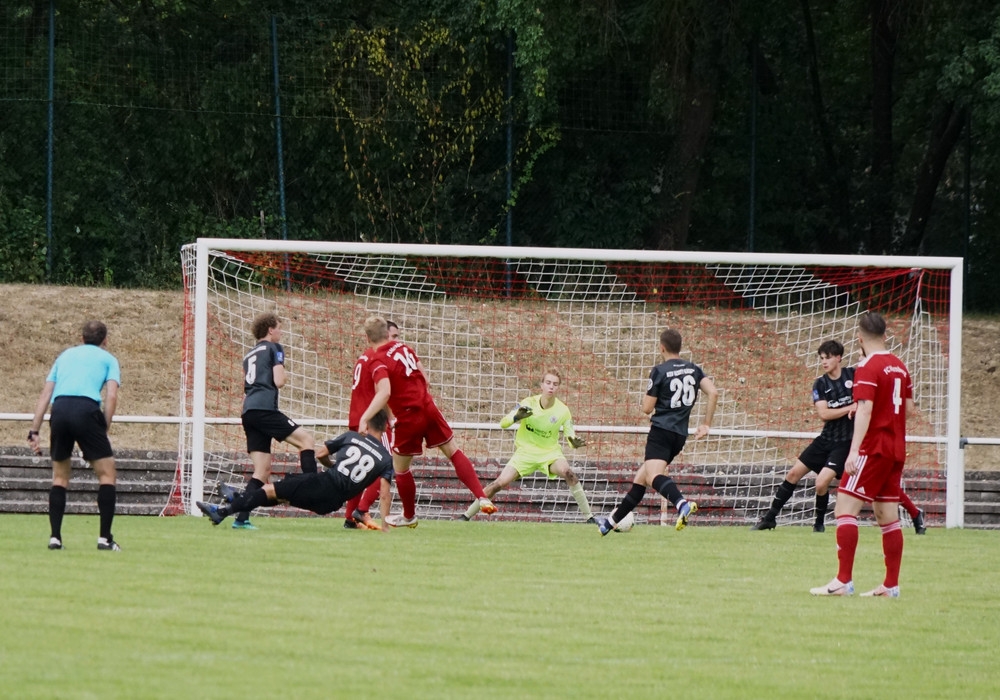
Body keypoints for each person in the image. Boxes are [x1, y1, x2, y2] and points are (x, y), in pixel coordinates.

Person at [357, 316, 496, 528]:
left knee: (401, 468)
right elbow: (425, 378)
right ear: (387, 333)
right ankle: (481, 496)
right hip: (428, 407)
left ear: (368, 338)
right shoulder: (404, 348)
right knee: (453, 451)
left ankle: (409, 516)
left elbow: (384, 392)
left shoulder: (377, 360)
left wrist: (365, 417)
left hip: (408, 415)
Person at [811, 312, 914, 598]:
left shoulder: (867, 367)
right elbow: (908, 408)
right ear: (885, 335)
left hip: (874, 447)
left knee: (844, 508)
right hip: (896, 448)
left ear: (860, 338)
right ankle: (890, 586)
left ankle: (843, 581)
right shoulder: (900, 366)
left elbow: (866, 409)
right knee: (887, 516)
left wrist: (855, 450)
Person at [595, 328, 718, 535]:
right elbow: (713, 392)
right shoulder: (694, 369)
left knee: (653, 476)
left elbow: (647, 408)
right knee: (641, 479)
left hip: (661, 432)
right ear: (680, 347)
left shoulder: (660, 371)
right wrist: (706, 424)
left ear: (662, 348)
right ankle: (608, 524)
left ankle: (682, 504)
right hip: (679, 435)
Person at [197, 410, 393, 524]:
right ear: (385, 427)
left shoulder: (352, 437)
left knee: (269, 490)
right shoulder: (386, 459)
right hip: (332, 503)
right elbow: (384, 494)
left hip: (323, 483)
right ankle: (236, 498)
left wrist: (333, 465)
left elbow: (320, 454)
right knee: (277, 496)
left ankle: (222, 512)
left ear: (367, 423)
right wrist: (385, 525)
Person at [27, 320, 123, 551]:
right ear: (105, 340)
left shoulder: (65, 356)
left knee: (60, 478)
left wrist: (34, 430)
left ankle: (55, 538)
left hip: (59, 410)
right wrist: (104, 428)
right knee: (107, 475)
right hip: (87, 410)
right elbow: (111, 396)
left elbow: (45, 394)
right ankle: (104, 539)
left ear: (81, 338)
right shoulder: (109, 359)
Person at [458, 370, 595, 522]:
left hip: (550, 453)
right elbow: (503, 423)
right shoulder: (528, 403)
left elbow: (570, 436)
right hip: (525, 453)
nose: (551, 387)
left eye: (555, 384)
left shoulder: (563, 410)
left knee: (568, 473)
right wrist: (517, 417)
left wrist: (573, 443)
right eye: (548, 383)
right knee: (499, 484)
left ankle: (589, 517)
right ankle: (465, 516)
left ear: (558, 388)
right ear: (541, 385)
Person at [752, 340, 856, 533]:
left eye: (828, 358)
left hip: (845, 443)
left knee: (821, 482)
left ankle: (818, 525)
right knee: (793, 474)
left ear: (839, 358)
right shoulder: (820, 383)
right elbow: (824, 414)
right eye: (821, 358)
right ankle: (769, 519)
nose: (824, 362)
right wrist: (850, 407)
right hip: (825, 439)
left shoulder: (853, 375)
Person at [234, 312, 316, 530]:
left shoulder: (249, 354)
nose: (281, 332)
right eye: (279, 328)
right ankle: (314, 487)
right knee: (306, 441)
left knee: (262, 471)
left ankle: (241, 518)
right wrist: (284, 374)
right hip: (264, 409)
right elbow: (279, 381)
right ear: (270, 330)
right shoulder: (274, 348)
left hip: (248, 412)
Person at [341, 321, 400, 531]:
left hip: (357, 418)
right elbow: (382, 392)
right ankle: (362, 509)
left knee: (361, 468)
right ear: (384, 336)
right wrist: (391, 418)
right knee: (387, 465)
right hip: (372, 421)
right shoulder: (377, 358)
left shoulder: (364, 356)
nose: (396, 341)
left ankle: (350, 518)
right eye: (393, 336)